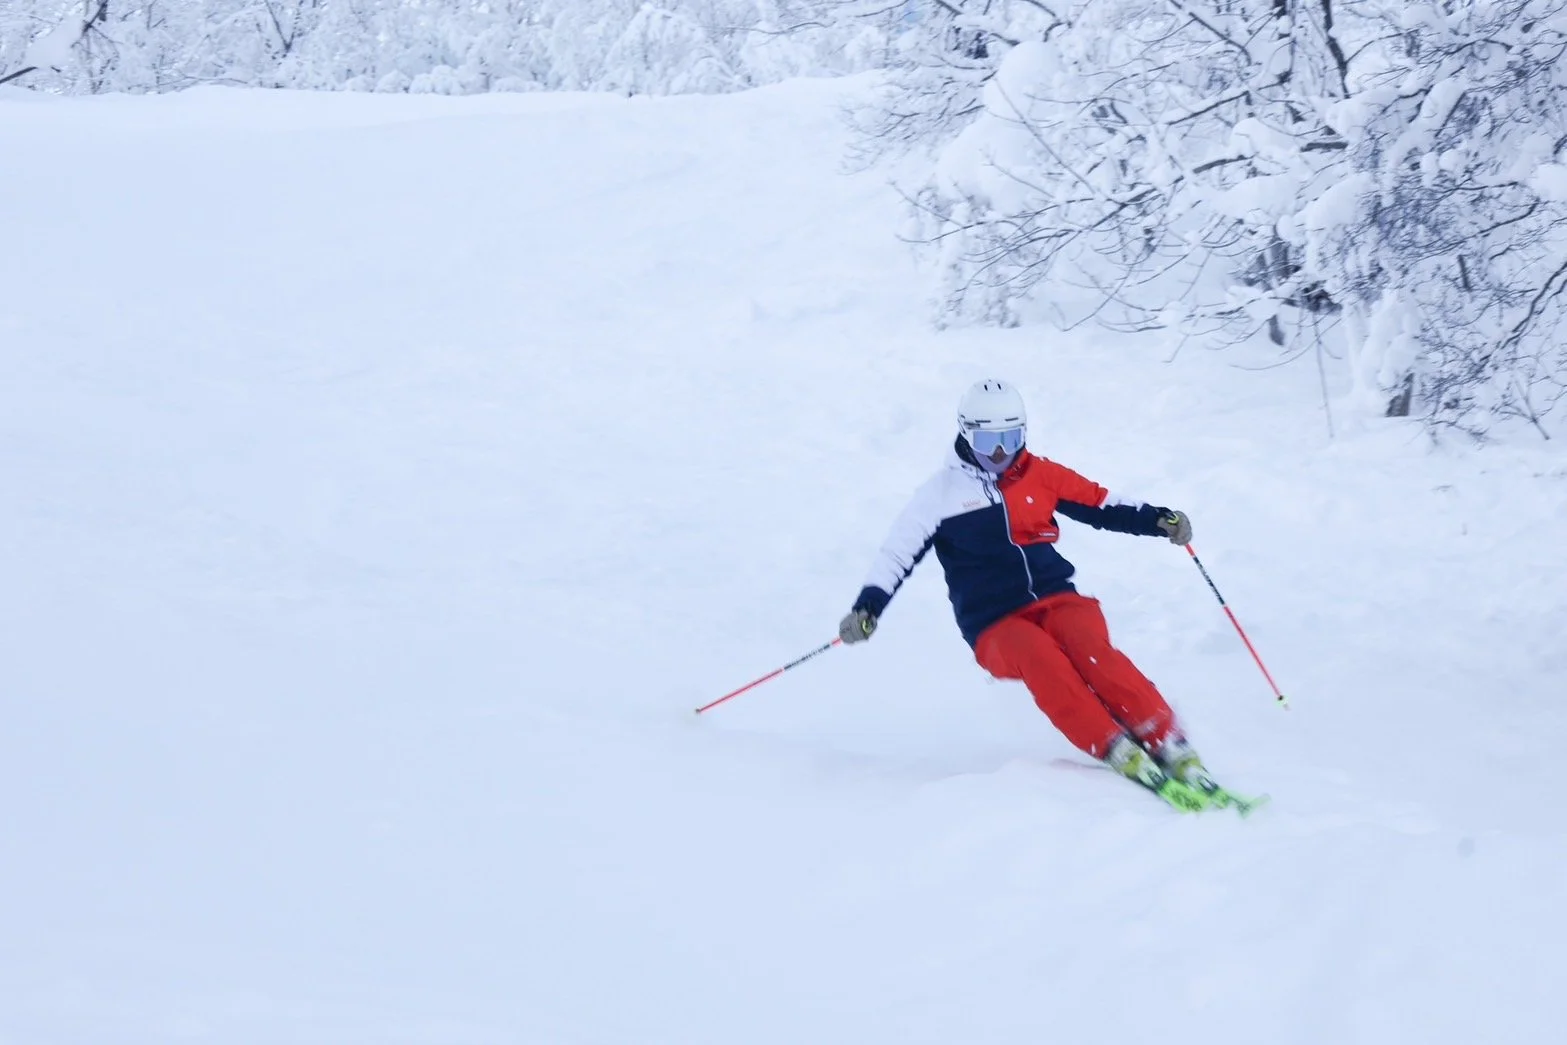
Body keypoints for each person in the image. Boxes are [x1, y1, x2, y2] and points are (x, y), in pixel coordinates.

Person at [839, 379, 1219, 811]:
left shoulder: (1041, 474)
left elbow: (1101, 503)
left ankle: (1162, 734)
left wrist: (1158, 520)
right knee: (1040, 655)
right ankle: (1112, 743)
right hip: (995, 623)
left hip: (1057, 598)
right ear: (965, 434)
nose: (1000, 453)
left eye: (1010, 439)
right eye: (987, 441)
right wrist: (867, 608)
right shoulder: (939, 497)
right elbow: (896, 555)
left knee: (1089, 646)